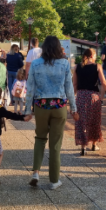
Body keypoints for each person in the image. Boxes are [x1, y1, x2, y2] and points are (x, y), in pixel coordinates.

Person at [25, 36, 77, 190]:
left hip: (41, 105)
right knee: (55, 144)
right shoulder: (64, 64)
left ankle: (35, 172)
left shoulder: (35, 64)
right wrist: (73, 108)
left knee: (40, 138)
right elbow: (69, 88)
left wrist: (27, 110)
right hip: (59, 106)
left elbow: (30, 89)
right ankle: (54, 180)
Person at [72, 48, 106, 156]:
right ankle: (93, 144)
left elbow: (74, 84)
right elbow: (103, 82)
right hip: (94, 97)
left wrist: (72, 99)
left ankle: (83, 147)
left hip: (81, 96)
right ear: (92, 56)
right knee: (94, 121)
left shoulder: (77, 67)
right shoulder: (97, 66)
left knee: (82, 121)